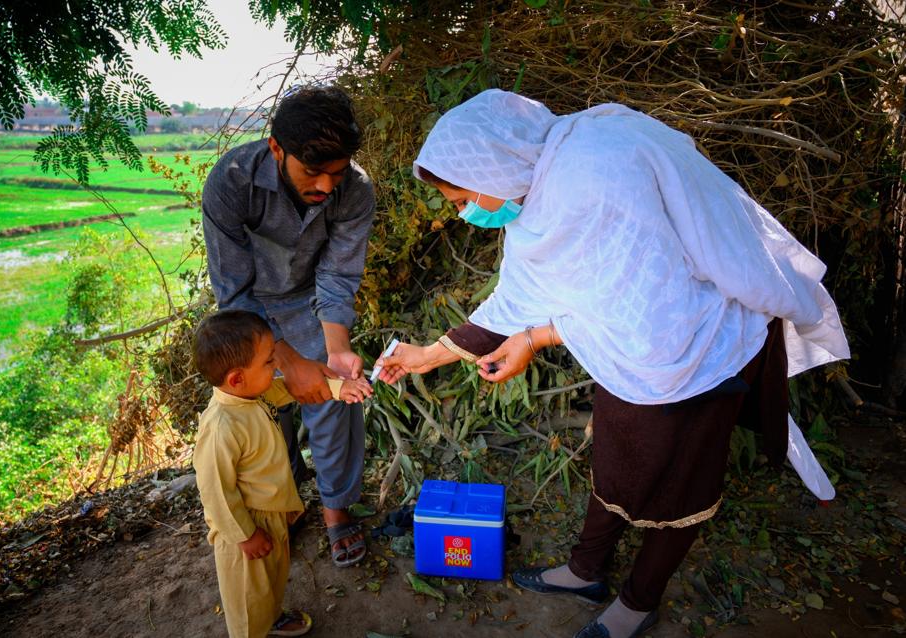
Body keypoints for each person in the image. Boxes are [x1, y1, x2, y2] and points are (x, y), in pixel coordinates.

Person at [376, 89, 849, 638]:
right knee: (618, 462)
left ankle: (637, 603)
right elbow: (536, 297)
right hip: (630, 362)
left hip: (697, 356)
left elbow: (650, 297)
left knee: (679, 490)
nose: (463, 213)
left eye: (460, 198)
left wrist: (528, 338)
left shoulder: (597, 171)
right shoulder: (541, 194)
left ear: (492, 163)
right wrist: (431, 354)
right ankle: (585, 572)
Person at [202, 85, 375, 566]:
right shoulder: (231, 182)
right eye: (311, 172)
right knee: (261, 411)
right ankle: (286, 501)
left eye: (335, 175)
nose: (324, 186)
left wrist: (333, 351)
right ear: (277, 147)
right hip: (247, 308)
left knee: (334, 399)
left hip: (313, 303)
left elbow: (338, 275)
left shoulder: (355, 191)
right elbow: (233, 289)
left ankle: (337, 507)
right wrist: (289, 361)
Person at [192, 309, 372, 638]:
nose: (276, 366)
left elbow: (293, 389)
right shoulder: (220, 428)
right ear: (236, 378)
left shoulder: (253, 394)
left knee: (272, 580)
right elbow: (216, 492)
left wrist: (338, 388)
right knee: (248, 597)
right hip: (245, 528)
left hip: (271, 517)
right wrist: (245, 535)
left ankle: (271, 618)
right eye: (268, 362)